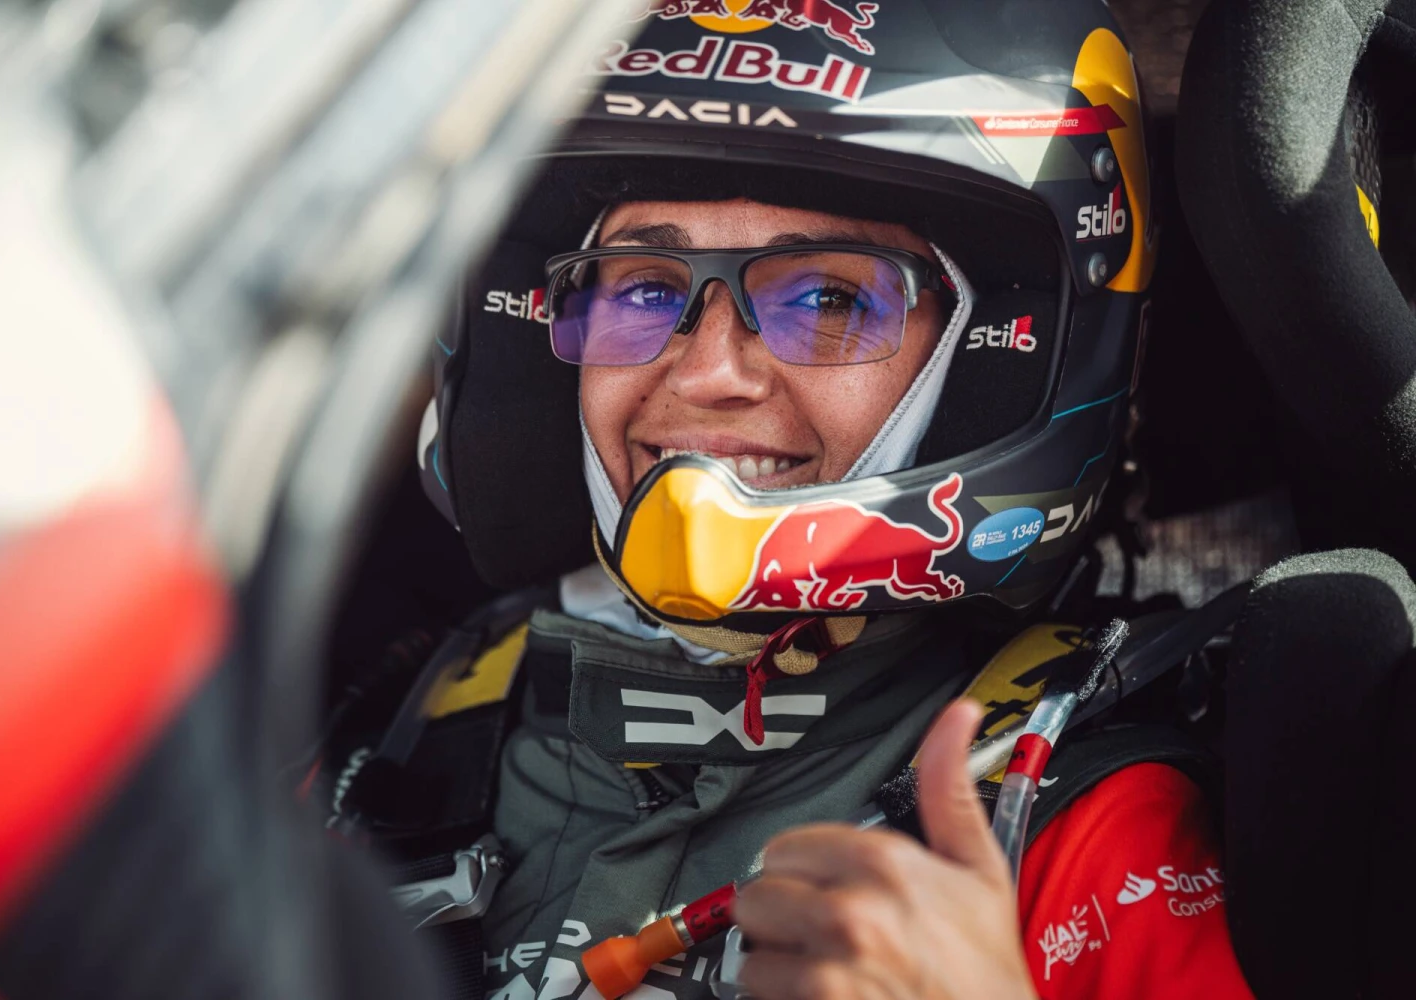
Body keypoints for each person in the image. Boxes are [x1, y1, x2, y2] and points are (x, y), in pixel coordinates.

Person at [322, 3, 1255, 998]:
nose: (709, 373)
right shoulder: (397, 737)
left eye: (828, 299)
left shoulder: (1094, 831)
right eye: (643, 289)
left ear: (989, 359)